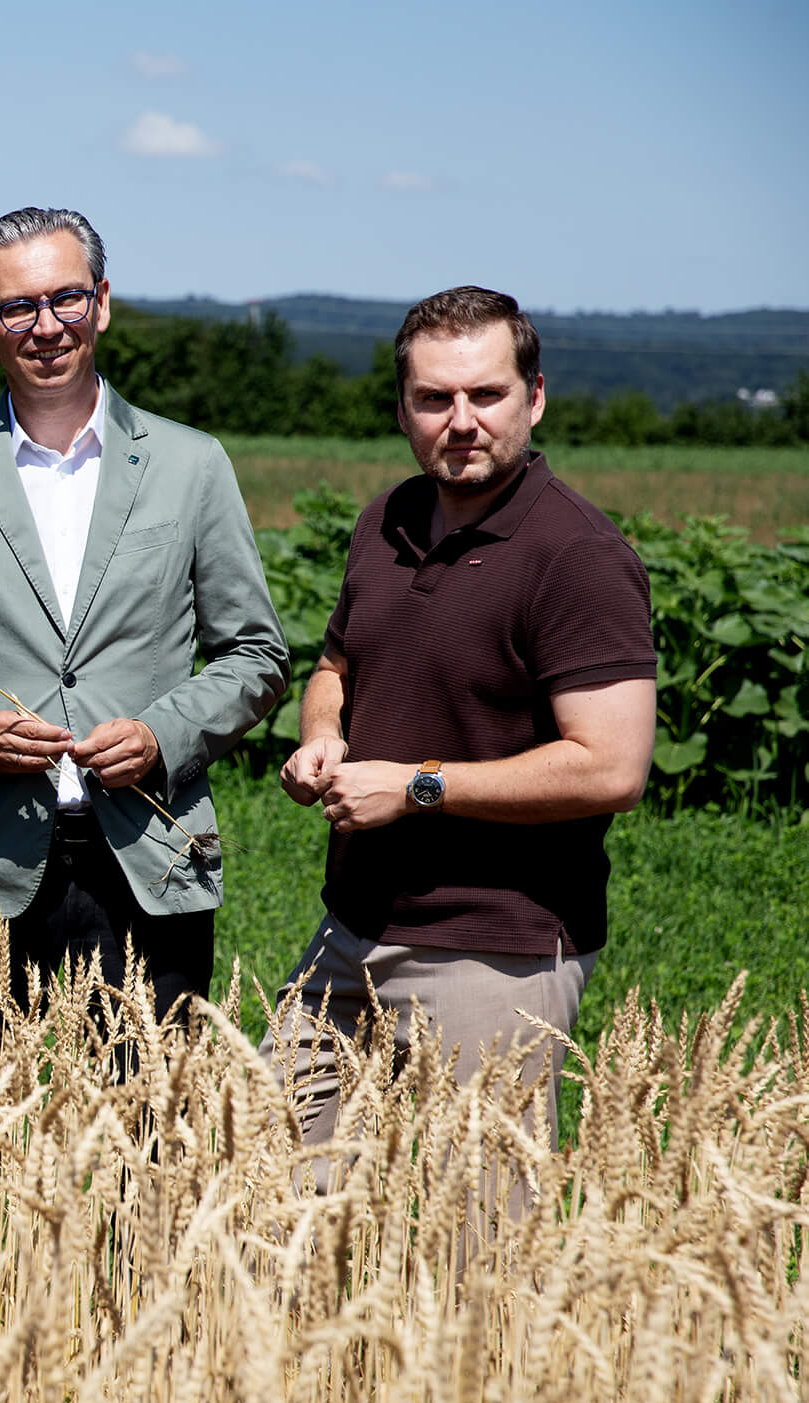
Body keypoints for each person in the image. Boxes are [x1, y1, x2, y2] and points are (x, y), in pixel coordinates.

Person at [265, 286, 655, 1193]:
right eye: (436, 399)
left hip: (496, 947)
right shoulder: (387, 521)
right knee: (258, 1195)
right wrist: (324, 735)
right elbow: (335, 665)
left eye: (486, 395)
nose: (463, 421)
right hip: (354, 926)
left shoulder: (576, 555)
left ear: (536, 397)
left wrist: (415, 788)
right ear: (403, 408)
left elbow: (611, 766)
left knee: (472, 1248)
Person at [0, 207, 287, 1025]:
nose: (47, 326)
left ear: (104, 302)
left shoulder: (191, 464)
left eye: (67, 299)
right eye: (19, 307)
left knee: (149, 1141)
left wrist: (164, 735)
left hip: (150, 862)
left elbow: (256, 653)